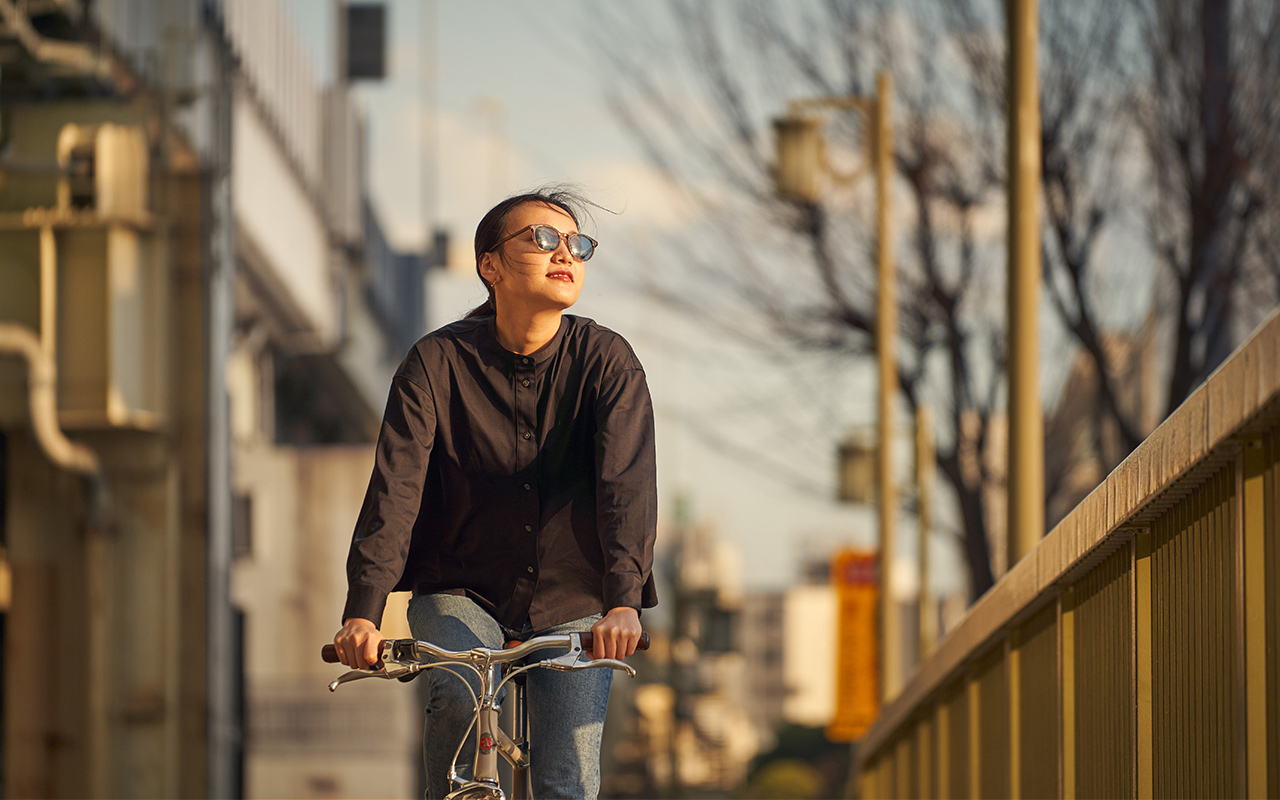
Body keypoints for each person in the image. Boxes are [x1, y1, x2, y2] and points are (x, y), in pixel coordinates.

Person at [332, 187, 657, 799]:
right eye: (541, 239)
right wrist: (363, 612)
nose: (566, 253)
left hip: (577, 598)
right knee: (454, 697)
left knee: (568, 779)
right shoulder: (435, 362)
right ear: (490, 266)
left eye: (578, 244)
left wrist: (623, 602)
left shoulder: (608, 361)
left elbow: (627, 487)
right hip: (462, 588)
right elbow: (395, 489)